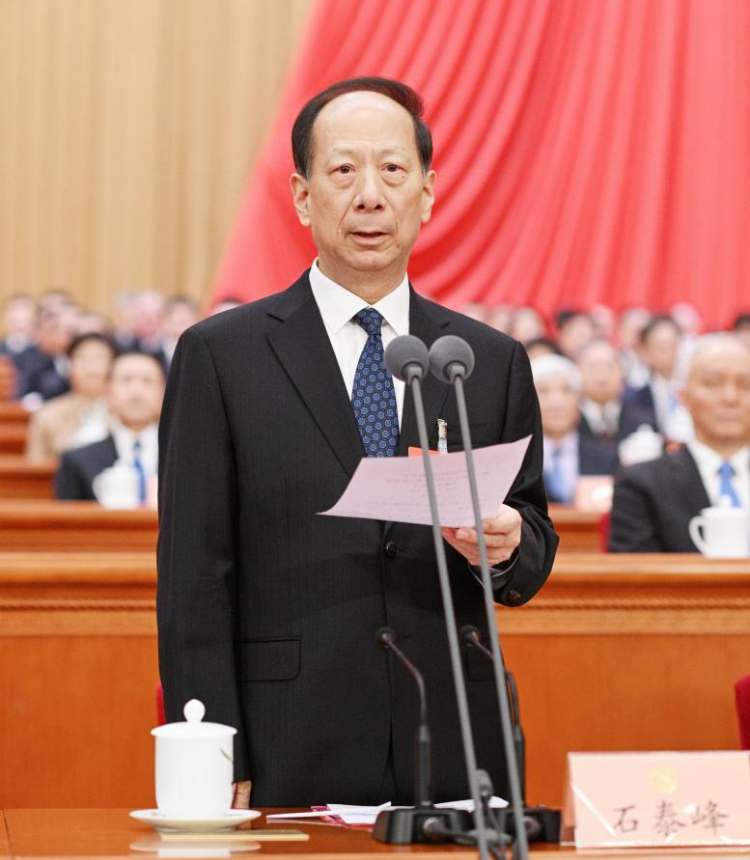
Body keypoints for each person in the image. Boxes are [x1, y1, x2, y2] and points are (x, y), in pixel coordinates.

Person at [157, 77, 558, 809]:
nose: (370, 195)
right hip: (288, 739)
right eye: (343, 171)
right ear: (304, 196)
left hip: (457, 739)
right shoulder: (223, 355)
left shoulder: (486, 359)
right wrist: (214, 749)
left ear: (428, 195)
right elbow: (193, 575)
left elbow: (531, 540)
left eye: (393, 171)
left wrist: (508, 545)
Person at [609, 335, 750, 552]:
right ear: (683, 395)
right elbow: (635, 578)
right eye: (713, 383)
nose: (730, 397)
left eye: (745, 385)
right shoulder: (640, 483)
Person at [55, 351, 164, 501]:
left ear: (164, 392)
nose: (136, 391)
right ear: (107, 392)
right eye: (126, 381)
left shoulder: (186, 457)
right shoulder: (78, 459)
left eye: (147, 381)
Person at [532, 354, 617, 504]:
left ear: (579, 400)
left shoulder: (606, 457)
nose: (556, 401)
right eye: (544, 391)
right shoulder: (517, 461)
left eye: (566, 390)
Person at [26, 333, 114, 462]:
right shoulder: (47, 415)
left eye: (100, 358)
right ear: (70, 365)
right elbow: (35, 470)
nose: (92, 366)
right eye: (84, 358)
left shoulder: (127, 414)